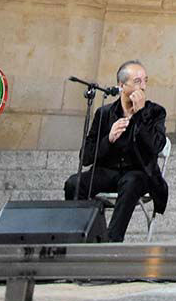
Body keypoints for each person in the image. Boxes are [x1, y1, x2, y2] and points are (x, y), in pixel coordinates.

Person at [64, 60, 168, 242]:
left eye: (145, 81)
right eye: (137, 81)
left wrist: (141, 114)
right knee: (74, 183)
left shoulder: (155, 112)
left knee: (131, 181)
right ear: (121, 85)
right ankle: (81, 236)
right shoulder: (104, 113)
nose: (143, 86)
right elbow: (86, 156)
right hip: (108, 172)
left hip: (140, 173)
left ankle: (112, 240)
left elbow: (156, 146)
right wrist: (109, 139)